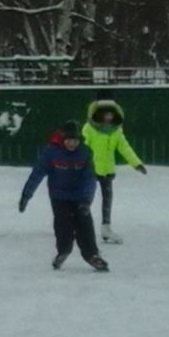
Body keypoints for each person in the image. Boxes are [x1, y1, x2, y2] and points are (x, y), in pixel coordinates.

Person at [19, 120, 109, 272]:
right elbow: (37, 174)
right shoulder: (51, 152)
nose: (72, 144)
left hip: (79, 195)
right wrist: (26, 195)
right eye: (69, 140)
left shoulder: (85, 152)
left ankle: (92, 255)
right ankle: (63, 250)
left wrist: (86, 201)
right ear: (63, 139)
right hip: (59, 196)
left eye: (74, 140)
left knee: (85, 224)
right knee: (63, 224)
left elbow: (89, 179)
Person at [82, 97, 146, 244]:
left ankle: (106, 227)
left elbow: (124, 147)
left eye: (111, 114)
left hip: (108, 170)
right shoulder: (89, 129)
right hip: (90, 170)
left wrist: (136, 164)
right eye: (106, 114)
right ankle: (78, 225)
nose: (109, 117)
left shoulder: (116, 131)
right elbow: (83, 148)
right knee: (86, 199)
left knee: (107, 198)